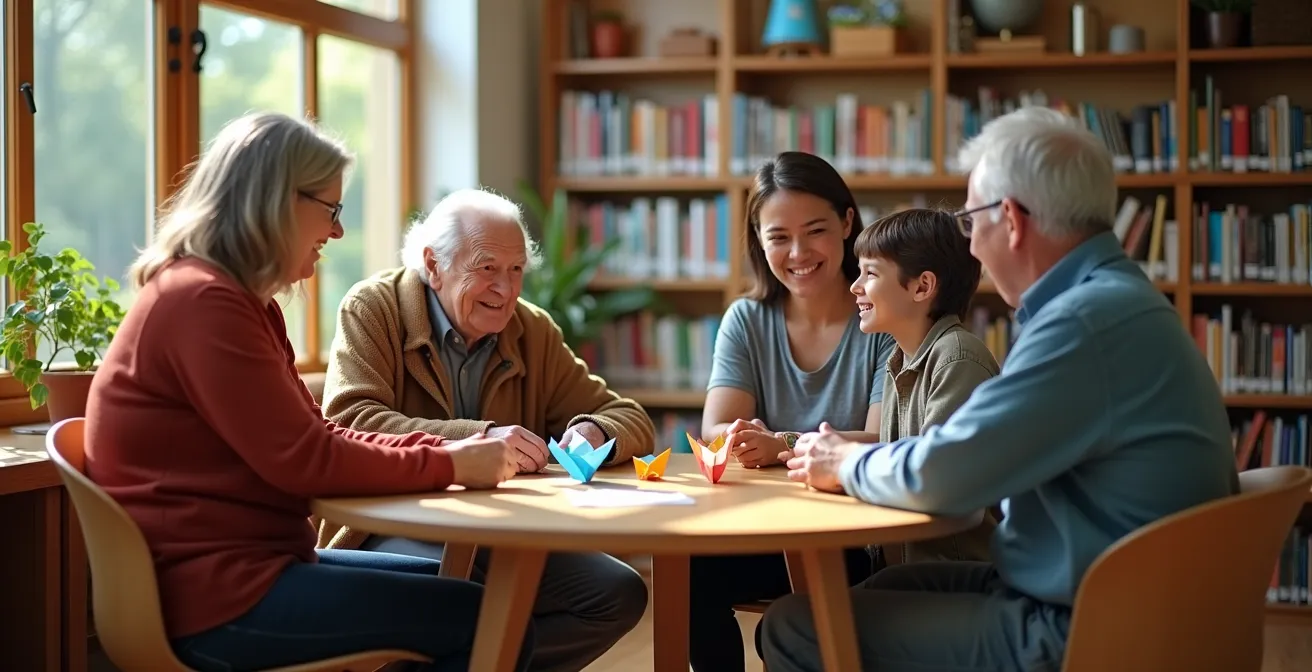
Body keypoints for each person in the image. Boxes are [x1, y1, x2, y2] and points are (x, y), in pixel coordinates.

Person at [764, 106, 1239, 672]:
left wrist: (844, 464)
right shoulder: (1114, 300)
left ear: (1010, 220)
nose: (971, 249)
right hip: (1098, 593)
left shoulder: (1083, 323)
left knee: (796, 625)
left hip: (1088, 625)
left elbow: (949, 471)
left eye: (971, 223)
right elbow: (974, 442)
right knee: (886, 586)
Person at [83, 111, 529, 672]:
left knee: (481, 602)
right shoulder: (205, 303)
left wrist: (446, 453)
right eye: (331, 209)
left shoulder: (241, 302)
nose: (337, 231)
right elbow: (308, 461)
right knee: (493, 624)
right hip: (217, 598)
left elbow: (315, 435)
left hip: (249, 569)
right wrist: (450, 465)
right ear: (277, 200)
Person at [316, 187, 652, 672]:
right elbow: (350, 420)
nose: (506, 289)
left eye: (516, 270)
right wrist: (477, 438)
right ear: (433, 265)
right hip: (392, 523)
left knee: (615, 595)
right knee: (460, 593)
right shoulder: (373, 309)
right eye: (487, 268)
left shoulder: (530, 330)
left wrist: (594, 431)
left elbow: (629, 416)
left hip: (500, 531)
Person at [690, 151, 896, 672]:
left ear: (848, 222)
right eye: (778, 236)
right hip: (767, 529)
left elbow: (879, 436)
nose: (798, 252)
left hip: (856, 538)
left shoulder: (883, 316)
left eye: (816, 230)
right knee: (690, 569)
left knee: (782, 632)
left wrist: (778, 442)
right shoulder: (746, 319)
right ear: (759, 241)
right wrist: (741, 435)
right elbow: (716, 428)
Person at [847, 207, 1001, 566]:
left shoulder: (957, 358)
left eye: (869, 273)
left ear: (922, 287)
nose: (855, 287)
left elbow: (932, 481)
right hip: (907, 563)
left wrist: (845, 465)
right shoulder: (899, 359)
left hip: (956, 573)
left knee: (800, 617)